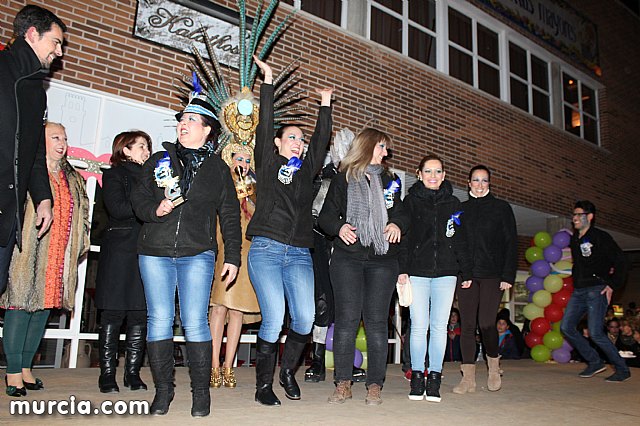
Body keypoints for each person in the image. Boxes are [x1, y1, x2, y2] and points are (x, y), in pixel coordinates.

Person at [131, 95, 242, 416]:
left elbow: (230, 216)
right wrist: (154, 210)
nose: (184, 124)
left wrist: (231, 256)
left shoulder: (219, 169)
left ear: (208, 130)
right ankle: (163, 392)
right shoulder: (159, 159)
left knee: (195, 322)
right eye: (182, 119)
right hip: (154, 251)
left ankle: (200, 394)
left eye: (192, 120)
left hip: (197, 253)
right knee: (160, 320)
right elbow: (138, 196)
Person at [247, 56, 333, 406]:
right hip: (266, 250)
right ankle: (263, 386)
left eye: (300, 139)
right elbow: (264, 125)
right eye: (292, 138)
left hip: (299, 252)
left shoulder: (307, 170)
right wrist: (267, 82)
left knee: (305, 318)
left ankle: (287, 372)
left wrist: (325, 105)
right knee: (273, 318)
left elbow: (321, 141)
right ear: (279, 144)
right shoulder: (267, 163)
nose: (298, 143)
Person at [319, 128, 408, 406]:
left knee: (377, 324)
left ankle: (374, 385)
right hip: (348, 259)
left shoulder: (391, 181)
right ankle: (343, 383)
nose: (386, 153)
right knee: (346, 322)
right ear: (367, 146)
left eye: (386, 149)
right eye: (382, 147)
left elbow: (401, 212)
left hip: (382, 261)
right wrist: (339, 226)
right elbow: (325, 217)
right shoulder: (342, 179)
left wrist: (397, 223)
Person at [1, 122, 89, 397]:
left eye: (64, 137)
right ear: (42, 142)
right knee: (20, 305)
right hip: (26, 250)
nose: (61, 142)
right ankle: (12, 371)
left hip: (57, 254)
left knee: (42, 310)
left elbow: (83, 213)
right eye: (55, 137)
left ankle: (26, 367)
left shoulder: (72, 176)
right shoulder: (27, 172)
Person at [0, 5, 65, 294]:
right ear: (31, 34)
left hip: (7, 215)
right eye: (56, 42)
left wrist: (43, 199)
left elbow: (35, 153)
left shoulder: (37, 92)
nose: (59, 52)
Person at [398, 154, 472, 403]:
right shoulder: (409, 202)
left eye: (438, 171)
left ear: (444, 175)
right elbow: (405, 239)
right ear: (419, 174)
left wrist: (466, 270)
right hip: (417, 272)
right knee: (419, 325)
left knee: (440, 326)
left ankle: (435, 378)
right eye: (428, 171)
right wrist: (402, 269)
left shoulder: (454, 203)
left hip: (446, 273)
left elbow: (460, 239)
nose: (433, 176)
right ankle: (417, 375)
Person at [94, 131, 152, 393]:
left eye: (147, 146)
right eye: (140, 145)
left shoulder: (152, 177)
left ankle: (132, 372)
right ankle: (107, 373)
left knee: (140, 313)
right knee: (114, 312)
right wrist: (149, 205)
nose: (146, 150)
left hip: (147, 250)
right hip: (119, 249)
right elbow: (117, 209)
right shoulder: (114, 175)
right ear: (125, 150)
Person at [454, 165, 517, 394]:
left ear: (489, 184)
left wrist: (508, 275)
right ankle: (468, 378)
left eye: (484, 181)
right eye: (476, 180)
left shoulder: (501, 208)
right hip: (467, 275)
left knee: (487, 323)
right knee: (467, 325)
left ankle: (493, 365)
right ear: (468, 183)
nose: (480, 184)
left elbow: (511, 242)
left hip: (493, 275)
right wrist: (463, 272)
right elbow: (457, 244)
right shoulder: (460, 210)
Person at [560, 200, 630, 382]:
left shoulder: (601, 237)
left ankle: (622, 369)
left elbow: (621, 261)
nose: (574, 218)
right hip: (579, 290)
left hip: (596, 289)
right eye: (573, 215)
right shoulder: (575, 239)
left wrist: (613, 284)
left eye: (579, 215)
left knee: (596, 332)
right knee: (566, 327)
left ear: (589, 217)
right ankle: (595, 362)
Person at [208, 144, 261, 389]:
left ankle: (229, 366)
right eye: (239, 158)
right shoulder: (220, 179)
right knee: (218, 307)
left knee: (238, 309)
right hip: (223, 245)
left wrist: (250, 196)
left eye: (247, 159)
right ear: (230, 160)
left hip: (247, 249)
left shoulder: (254, 188)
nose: (244, 163)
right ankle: (212, 365)